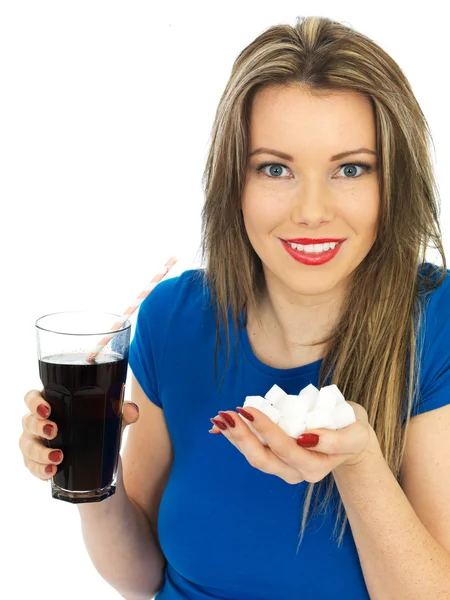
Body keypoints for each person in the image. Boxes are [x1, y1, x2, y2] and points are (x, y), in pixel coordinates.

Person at [19, 15, 450, 600]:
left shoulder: (437, 323)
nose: (312, 211)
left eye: (350, 169)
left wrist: (359, 466)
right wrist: (93, 474)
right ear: (234, 182)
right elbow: (139, 577)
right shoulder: (173, 319)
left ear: (392, 182)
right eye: (276, 168)